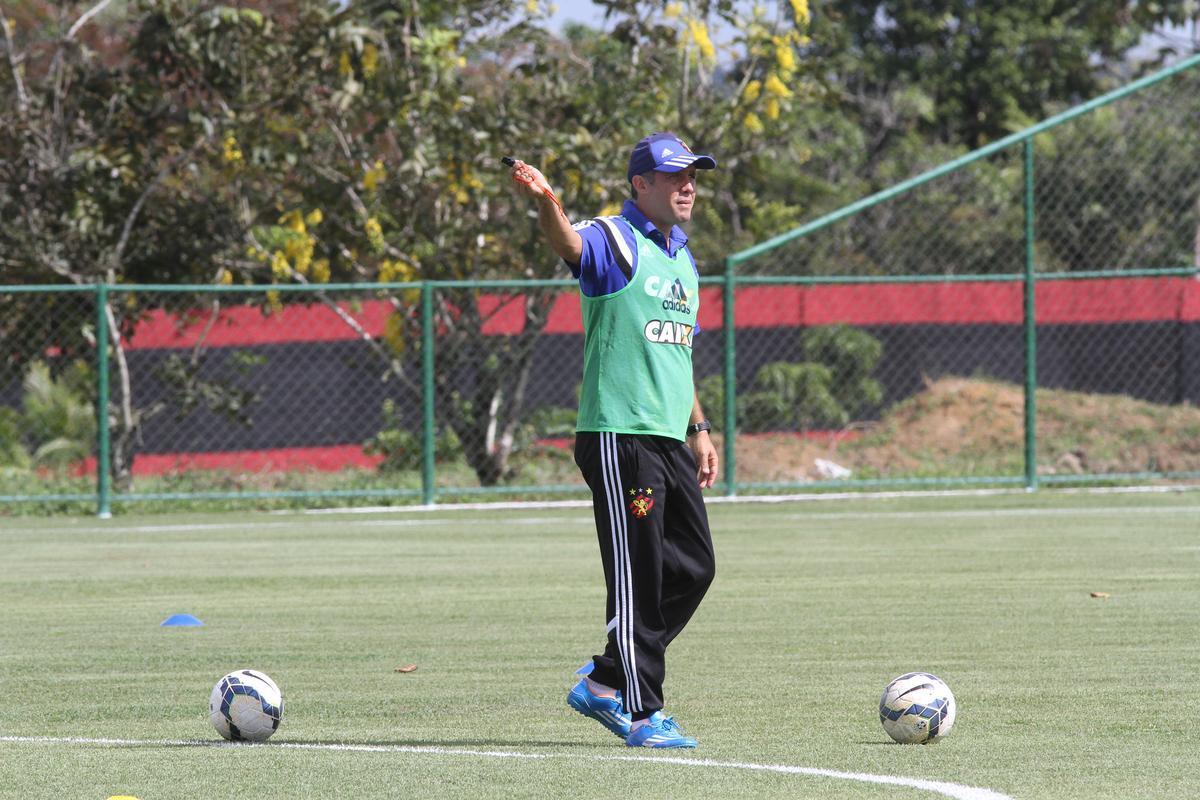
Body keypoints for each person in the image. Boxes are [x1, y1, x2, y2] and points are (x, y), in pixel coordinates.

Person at [508, 132, 719, 749]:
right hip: (619, 434)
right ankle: (641, 710)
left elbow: (677, 352)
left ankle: (604, 679)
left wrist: (699, 428)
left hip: (668, 439)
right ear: (640, 185)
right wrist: (548, 200)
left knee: (696, 567)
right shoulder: (616, 238)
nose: (688, 186)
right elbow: (569, 244)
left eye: (693, 176)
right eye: (674, 175)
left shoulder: (683, 259)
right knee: (639, 574)